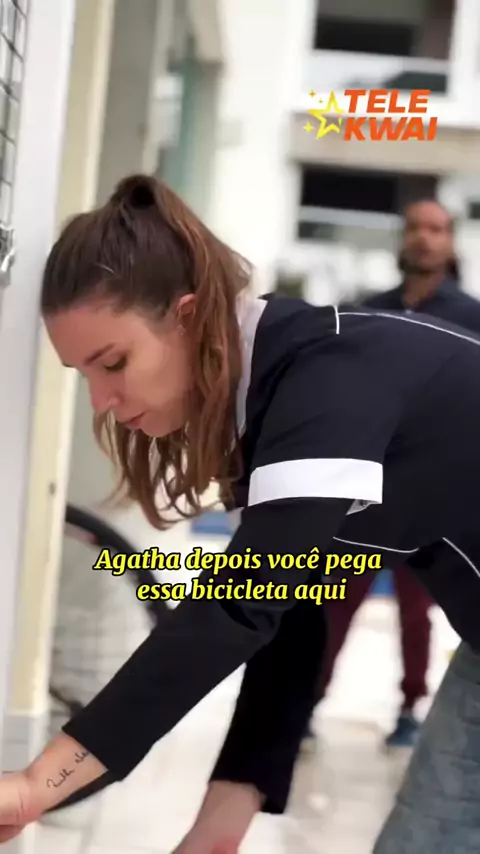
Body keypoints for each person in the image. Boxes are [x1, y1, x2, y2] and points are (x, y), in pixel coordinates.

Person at [3, 175, 480, 853]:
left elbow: (240, 604)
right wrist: (219, 827)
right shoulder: (271, 399)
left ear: (189, 316)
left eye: (114, 363)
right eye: (85, 376)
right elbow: (292, 606)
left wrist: (37, 784)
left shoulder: (327, 380)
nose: (102, 401)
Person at [304, 198, 480, 752]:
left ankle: (409, 708)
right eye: (415, 228)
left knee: (417, 610)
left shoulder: (472, 316)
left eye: (436, 229)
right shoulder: (370, 313)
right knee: (333, 600)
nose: (424, 238)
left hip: (438, 496)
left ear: (450, 241)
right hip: (368, 489)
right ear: (402, 238)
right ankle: (306, 703)